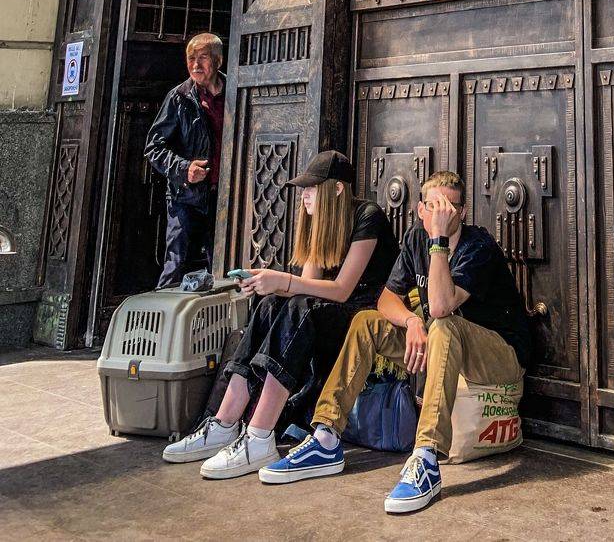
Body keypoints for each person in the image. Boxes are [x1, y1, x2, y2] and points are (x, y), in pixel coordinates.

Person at [258, 169, 532, 514]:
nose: (442, 213)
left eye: (450, 207)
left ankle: (426, 456)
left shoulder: (478, 246)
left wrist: (438, 240)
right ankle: (326, 437)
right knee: (367, 322)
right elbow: (387, 299)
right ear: (420, 210)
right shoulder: (416, 238)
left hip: (499, 355)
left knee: (443, 325)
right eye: (434, 206)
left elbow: (442, 306)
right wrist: (412, 320)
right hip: (442, 346)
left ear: (462, 212)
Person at [161, 149, 396, 478]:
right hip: (328, 312)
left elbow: (342, 290)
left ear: (337, 189)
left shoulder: (368, 216)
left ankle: (259, 435)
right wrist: (265, 283)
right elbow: (308, 286)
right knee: (271, 304)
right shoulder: (320, 221)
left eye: (311, 188)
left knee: (297, 306)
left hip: (366, 315)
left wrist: (282, 280)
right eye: (304, 189)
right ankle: (224, 423)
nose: (305, 195)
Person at [144, 33, 226, 289]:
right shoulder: (178, 97)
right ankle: (162, 312)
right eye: (191, 58)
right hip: (185, 195)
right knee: (175, 264)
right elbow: (154, 147)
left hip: (224, 195)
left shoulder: (235, 91)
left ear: (218, 61)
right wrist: (184, 168)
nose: (195, 65)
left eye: (203, 58)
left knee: (222, 264)